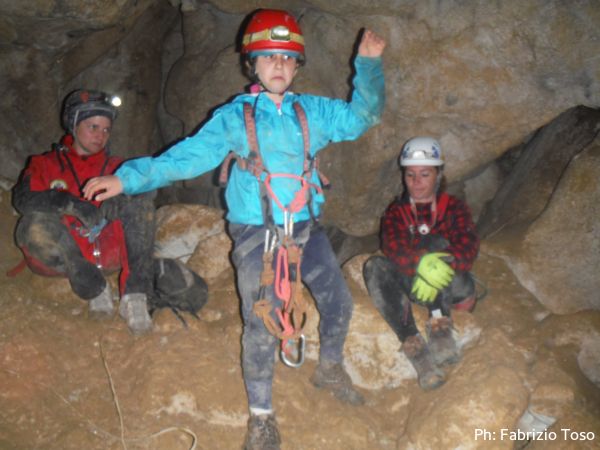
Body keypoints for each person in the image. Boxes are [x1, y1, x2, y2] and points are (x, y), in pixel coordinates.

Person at [82, 9, 386, 450]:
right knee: (261, 318)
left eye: (287, 58)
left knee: (338, 300)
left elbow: (362, 117)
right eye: (269, 57)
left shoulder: (313, 111)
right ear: (252, 64)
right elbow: (185, 158)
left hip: (303, 227)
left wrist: (369, 65)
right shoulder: (234, 117)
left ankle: (330, 368)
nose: (279, 65)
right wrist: (126, 179)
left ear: (297, 65)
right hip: (256, 232)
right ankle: (261, 417)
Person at [12, 89, 207, 336]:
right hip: (66, 257)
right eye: (93, 127)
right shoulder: (45, 164)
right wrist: (69, 203)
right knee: (33, 224)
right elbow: (24, 200)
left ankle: (135, 296)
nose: (100, 135)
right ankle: (93, 285)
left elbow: (147, 195)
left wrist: (120, 200)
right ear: (73, 125)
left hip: (109, 252)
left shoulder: (118, 168)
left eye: (106, 129)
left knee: (140, 203)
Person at [363, 136, 479, 390]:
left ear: (438, 175)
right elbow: (393, 248)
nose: (416, 182)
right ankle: (416, 349)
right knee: (374, 267)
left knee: (434, 242)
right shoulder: (397, 212)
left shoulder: (454, 208)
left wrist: (437, 261)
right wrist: (420, 264)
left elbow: (469, 247)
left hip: (454, 286)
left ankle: (440, 327)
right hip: (416, 284)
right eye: (410, 175)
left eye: (425, 174)